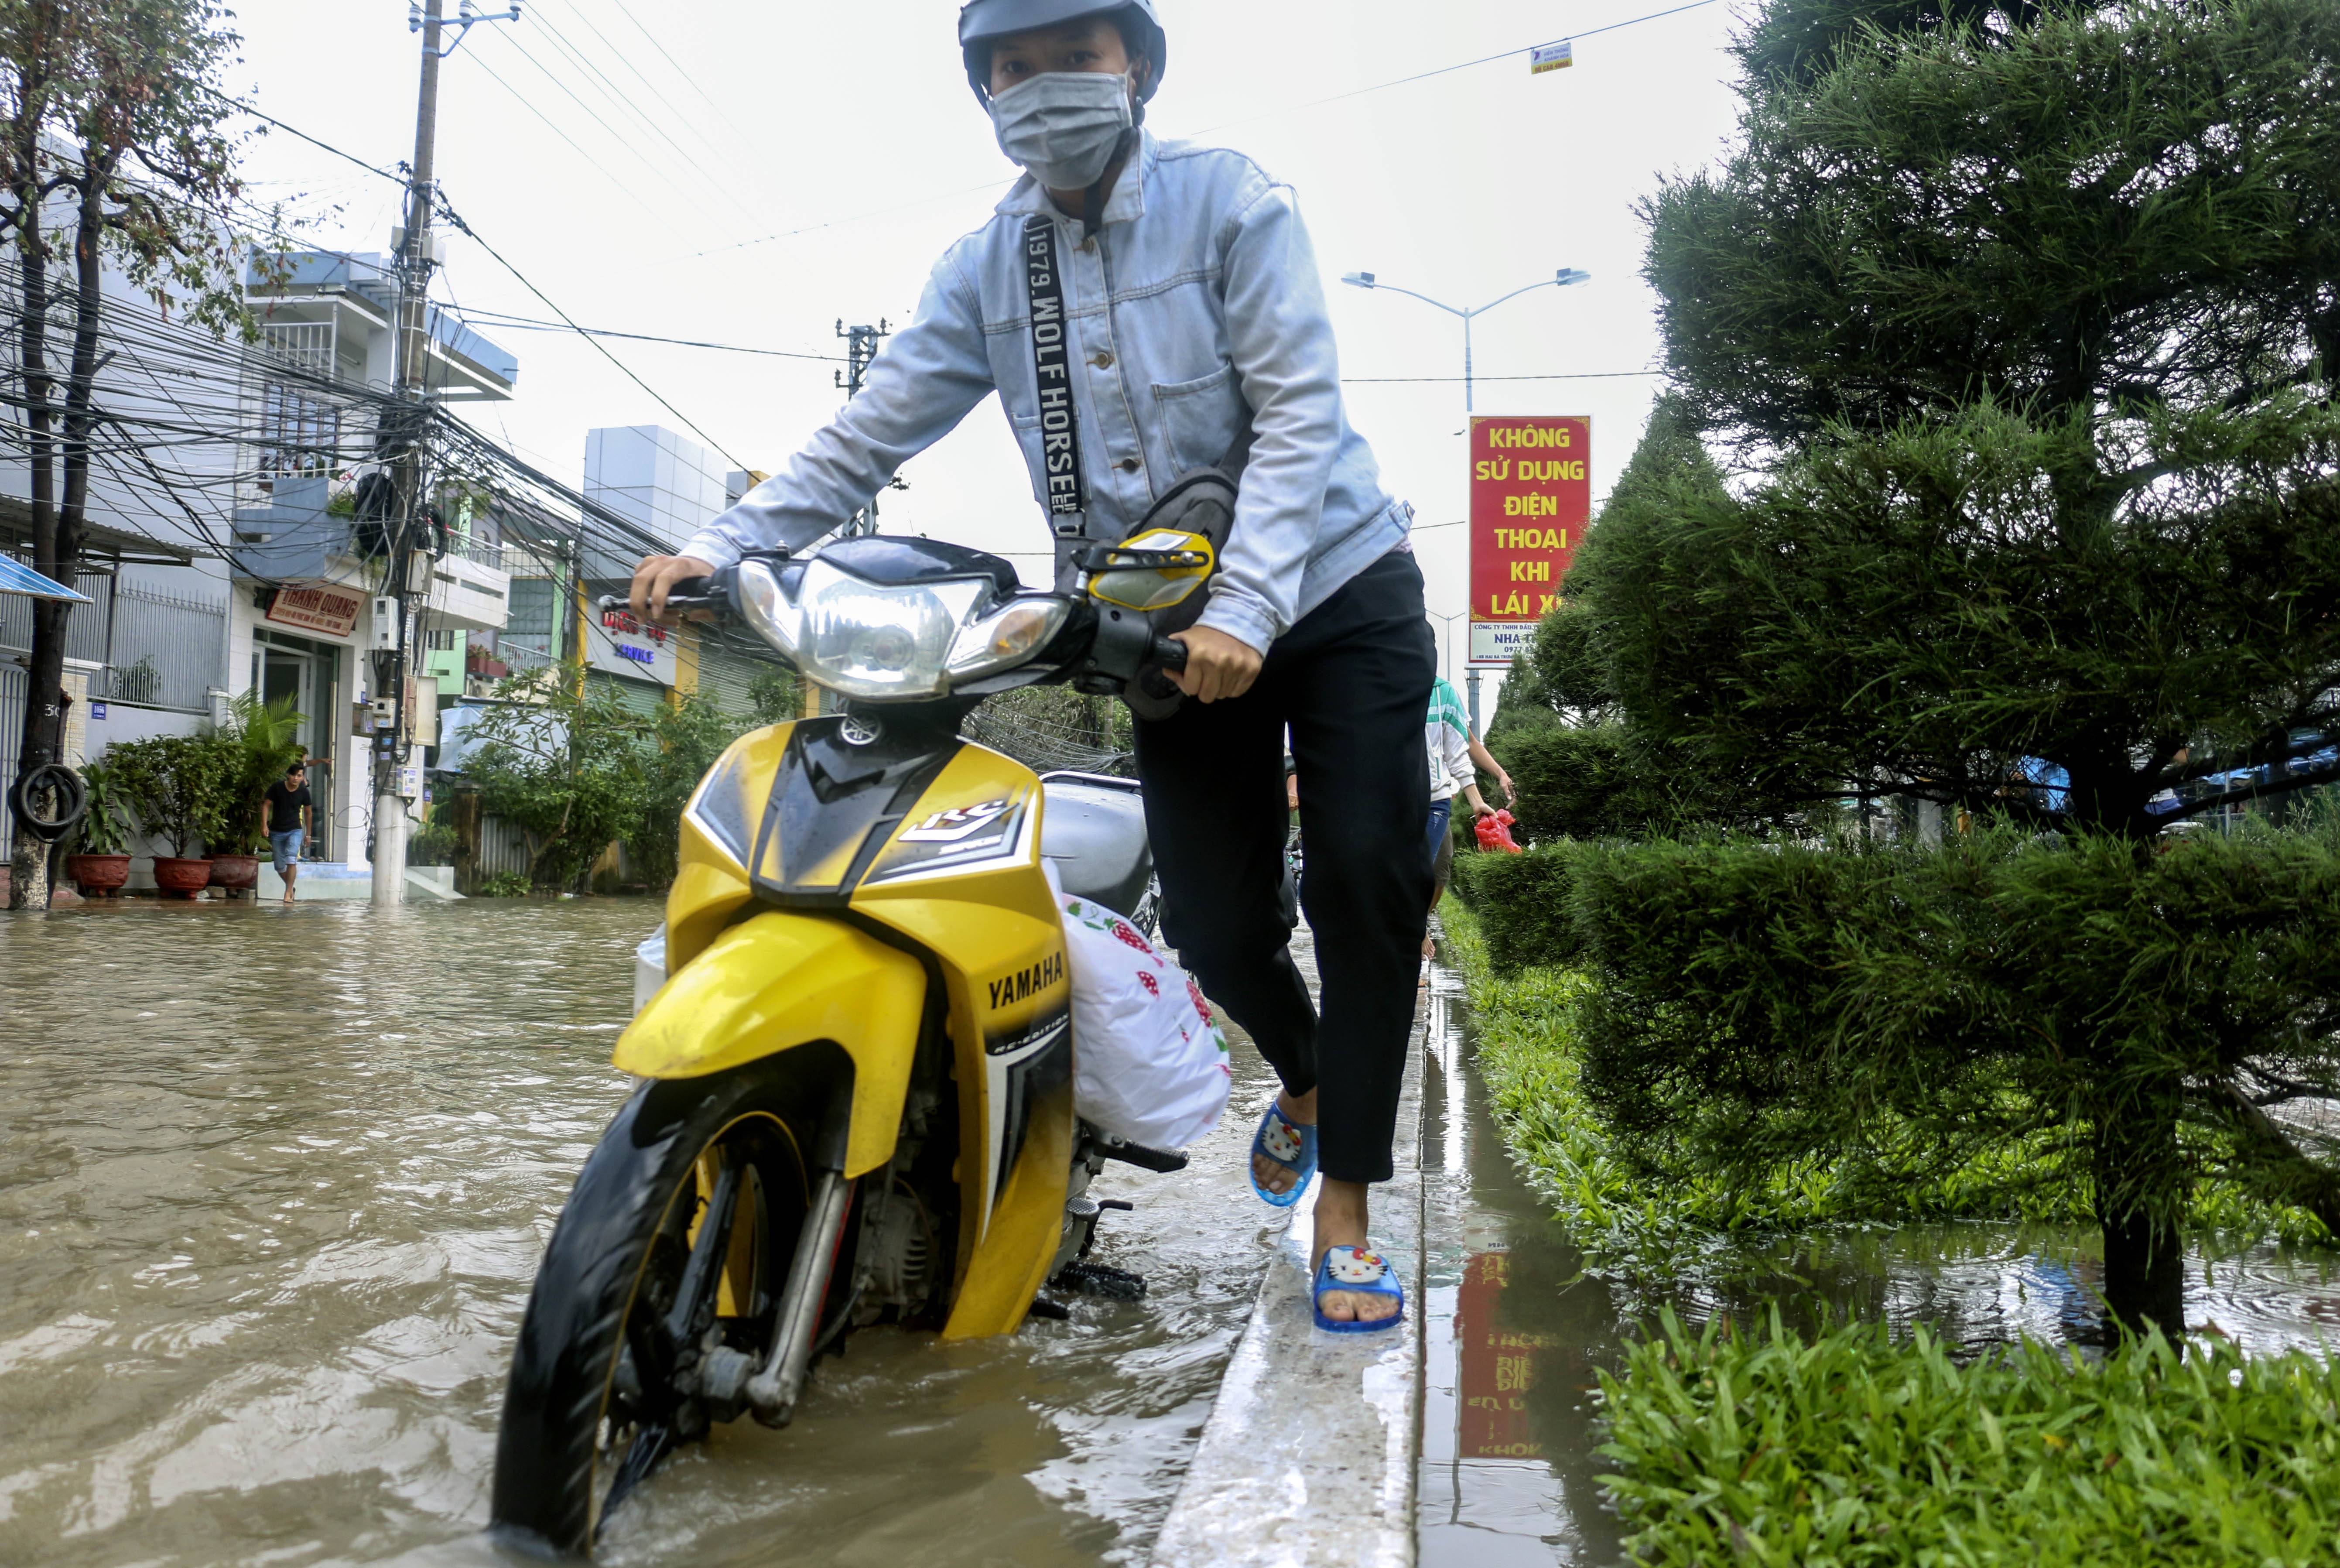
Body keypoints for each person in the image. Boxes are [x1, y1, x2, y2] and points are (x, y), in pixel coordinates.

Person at [631, 0, 1430, 1332]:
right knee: (1223, 929)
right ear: (983, 93)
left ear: (1138, 70)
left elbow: (1299, 412)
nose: (1045, 87)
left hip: (1338, 589)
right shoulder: (986, 267)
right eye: (1015, 67)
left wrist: (1249, 603)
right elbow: (867, 434)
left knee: (1363, 879)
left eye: (1077, 57)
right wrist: (719, 546)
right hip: (1167, 630)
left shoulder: (1234, 203)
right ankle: (1300, 1076)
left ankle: (1344, 1203)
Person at [1423, 677, 1493, 956]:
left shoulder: (1441, 692)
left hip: (1434, 800)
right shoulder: (1373, 685)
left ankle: (1416, 922)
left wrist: (1476, 799)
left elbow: (1461, 747)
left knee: (1435, 871)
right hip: (1386, 802)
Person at [263, 761, 313, 905]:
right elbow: (266, 805)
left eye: (300, 776)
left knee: (291, 859)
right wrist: (264, 825)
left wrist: (308, 834)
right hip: (277, 831)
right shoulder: (277, 788)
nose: (296, 779)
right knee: (279, 866)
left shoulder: (304, 791)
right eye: (294, 775)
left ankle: (287, 892)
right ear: (288, 775)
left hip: (294, 830)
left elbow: (309, 813)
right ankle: (291, 888)